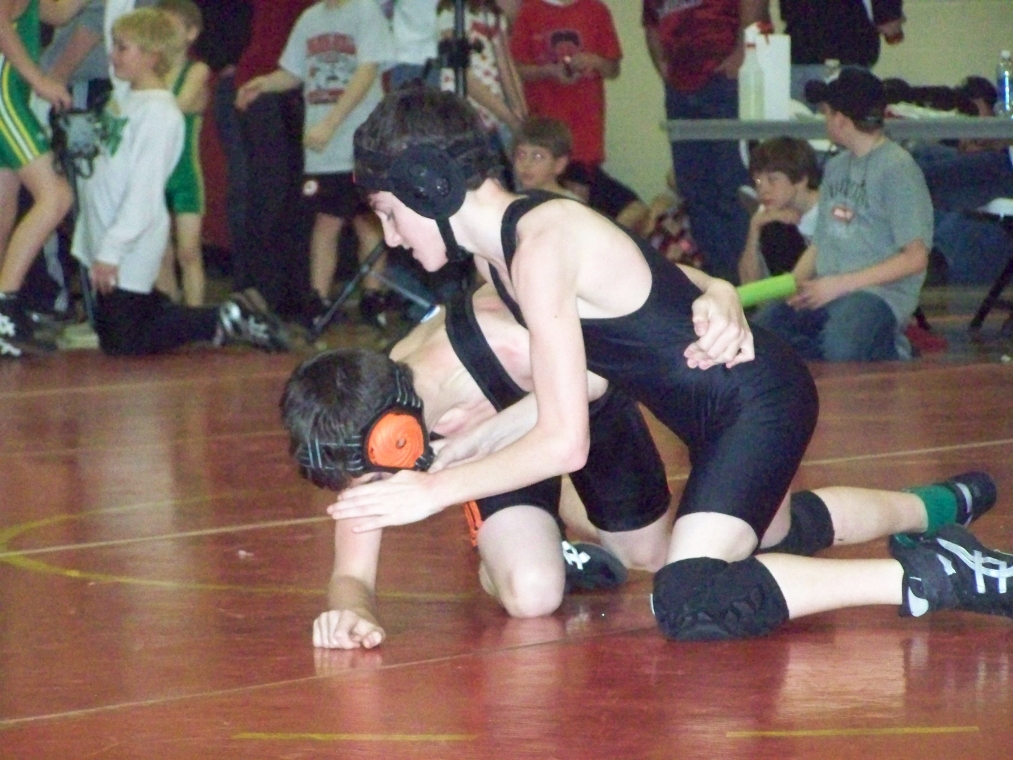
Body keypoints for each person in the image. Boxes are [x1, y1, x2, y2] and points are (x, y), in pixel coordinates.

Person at [327, 86, 1013, 643]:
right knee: (772, 533)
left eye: (388, 213)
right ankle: (936, 510)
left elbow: (565, 442)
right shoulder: (502, 257)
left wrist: (433, 492)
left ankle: (943, 575)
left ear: (427, 186)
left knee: (689, 593)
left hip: (755, 403)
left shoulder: (539, 246)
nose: (390, 236)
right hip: (714, 416)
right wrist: (716, 289)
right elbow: (639, 297)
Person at [284, 282, 690, 648]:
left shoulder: (499, 340)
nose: (379, 488)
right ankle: (526, 553)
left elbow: (595, 380)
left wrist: (457, 465)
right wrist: (353, 612)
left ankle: (566, 516)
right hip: (496, 458)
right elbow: (351, 574)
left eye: (375, 479)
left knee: (648, 555)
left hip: (583, 410)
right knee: (531, 593)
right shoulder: (356, 429)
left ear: (396, 436)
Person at [71, 7, 290, 356]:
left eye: (122, 48)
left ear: (152, 56)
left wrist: (112, 250)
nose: (112, 55)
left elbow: (143, 193)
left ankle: (226, 318)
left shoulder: (159, 114)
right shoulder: (123, 97)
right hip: (107, 228)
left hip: (130, 237)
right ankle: (201, 314)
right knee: (116, 327)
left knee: (123, 342)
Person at [753, 68, 932, 361]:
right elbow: (821, 242)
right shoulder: (836, 168)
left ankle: (892, 347)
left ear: (841, 120)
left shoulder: (897, 169)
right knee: (760, 336)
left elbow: (915, 258)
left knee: (840, 348)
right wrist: (793, 286)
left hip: (877, 294)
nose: (824, 119)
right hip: (827, 289)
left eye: (826, 112)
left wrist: (838, 285)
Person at [236, 0, 393, 325]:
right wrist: (263, 83)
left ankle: (373, 295)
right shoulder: (310, 18)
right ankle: (318, 299)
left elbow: (366, 72)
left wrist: (332, 122)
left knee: (367, 220)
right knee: (326, 220)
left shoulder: (366, 12)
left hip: (359, 139)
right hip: (324, 147)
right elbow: (294, 73)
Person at [641, 0, 766, 284]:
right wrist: (665, 68)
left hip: (725, 82)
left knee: (733, 189)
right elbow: (651, 25)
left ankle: (749, 288)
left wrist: (742, 52)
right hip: (680, 91)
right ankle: (722, 283)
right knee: (695, 191)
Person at [0, 0, 89, 357]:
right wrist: (39, 80)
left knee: (4, 211)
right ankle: (4, 306)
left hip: (10, 95)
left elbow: (58, 11)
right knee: (57, 196)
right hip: (5, 99)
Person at [509, 0, 622, 222]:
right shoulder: (529, 11)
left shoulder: (596, 10)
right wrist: (549, 71)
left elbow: (613, 68)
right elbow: (517, 68)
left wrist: (594, 61)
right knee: (538, 199)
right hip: (543, 126)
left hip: (585, 127)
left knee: (577, 201)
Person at [153, 0, 210, 307]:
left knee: (189, 252)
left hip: (185, 174)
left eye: (170, 27)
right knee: (160, 253)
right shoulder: (150, 70)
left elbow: (178, 105)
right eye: (159, 27)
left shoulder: (197, 70)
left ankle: (195, 315)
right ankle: (170, 312)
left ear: (191, 33)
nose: (163, 33)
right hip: (154, 175)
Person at [511, 115, 649, 233]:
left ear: (559, 164)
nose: (526, 164)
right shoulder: (514, 203)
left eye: (537, 156)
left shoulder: (571, 207)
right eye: (521, 155)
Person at [436, 0, 525, 156]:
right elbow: (464, 76)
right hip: (465, 114)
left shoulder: (494, 16)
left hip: (493, 116)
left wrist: (521, 111)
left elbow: (507, 68)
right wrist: (508, 117)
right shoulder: (451, 12)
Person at [780, 0, 906, 102]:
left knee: (800, 122)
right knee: (849, 121)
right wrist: (889, 14)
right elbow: (887, 23)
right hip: (848, 50)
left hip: (800, 52)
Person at [738, 137, 821, 285]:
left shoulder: (829, 208)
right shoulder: (768, 214)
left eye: (772, 180)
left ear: (801, 179)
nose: (763, 190)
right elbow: (748, 283)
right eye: (758, 182)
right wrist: (754, 227)